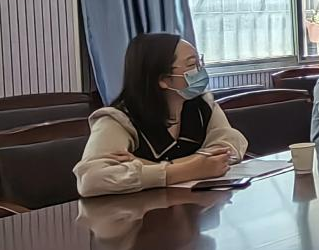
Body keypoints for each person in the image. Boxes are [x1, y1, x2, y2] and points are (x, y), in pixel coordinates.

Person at [74, 33, 249, 197]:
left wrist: (149, 165)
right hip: (138, 214)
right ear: (164, 80)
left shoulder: (202, 104)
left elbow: (230, 145)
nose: (200, 70)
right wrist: (188, 170)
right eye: (191, 65)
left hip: (193, 207)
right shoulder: (117, 119)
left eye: (200, 62)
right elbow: (91, 179)